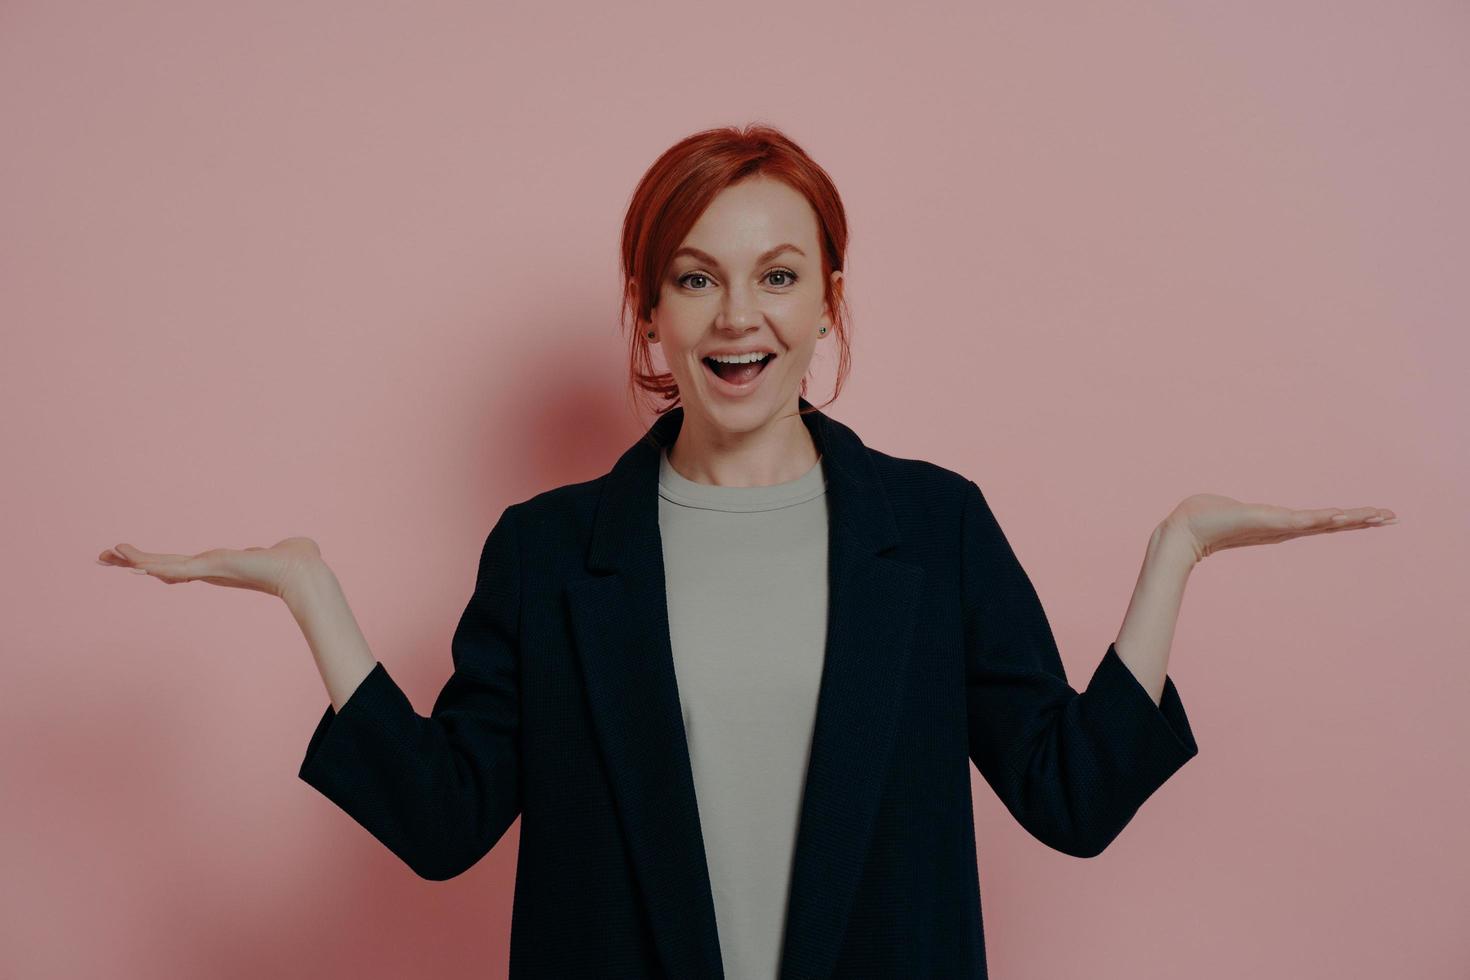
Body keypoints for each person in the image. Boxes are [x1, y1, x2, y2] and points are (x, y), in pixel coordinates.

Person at [97, 124, 1397, 979]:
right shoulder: (549, 553)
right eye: (695, 277)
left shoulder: (931, 528)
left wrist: (1173, 554)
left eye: (779, 276)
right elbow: (444, 827)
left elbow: (1070, 796)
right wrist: (313, 596)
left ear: (829, 301)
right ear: (648, 313)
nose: (739, 317)